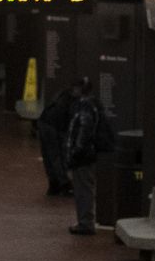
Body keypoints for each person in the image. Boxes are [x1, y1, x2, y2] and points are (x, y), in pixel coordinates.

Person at [63, 77, 105, 235]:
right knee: (83, 188)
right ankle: (85, 221)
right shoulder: (91, 105)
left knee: (83, 189)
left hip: (83, 156)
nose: (73, 90)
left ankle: (86, 222)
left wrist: (76, 150)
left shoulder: (85, 106)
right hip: (86, 154)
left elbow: (84, 130)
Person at [35, 86, 75, 196]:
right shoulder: (76, 102)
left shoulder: (66, 94)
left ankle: (54, 184)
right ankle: (64, 184)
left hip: (45, 121)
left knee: (49, 155)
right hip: (54, 125)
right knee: (57, 155)